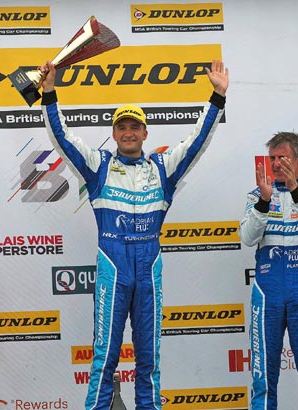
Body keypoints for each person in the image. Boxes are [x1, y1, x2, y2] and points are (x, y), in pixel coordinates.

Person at [39, 59, 229, 409]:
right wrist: (49, 93)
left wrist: (216, 97)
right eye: (122, 127)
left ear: (145, 133)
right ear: (114, 134)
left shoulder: (163, 168)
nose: (128, 132)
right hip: (114, 268)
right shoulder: (99, 167)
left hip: (149, 270)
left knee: (149, 361)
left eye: (135, 127)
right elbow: (62, 138)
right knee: (104, 359)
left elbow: (197, 141)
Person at [238, 132, 298, 410]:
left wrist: (295, 189)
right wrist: (264, 203)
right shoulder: (257, 193)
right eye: (272, 158)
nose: (277, 164)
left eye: (283, 158)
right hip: (268, 290)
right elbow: (248, 236)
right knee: (263, 374)